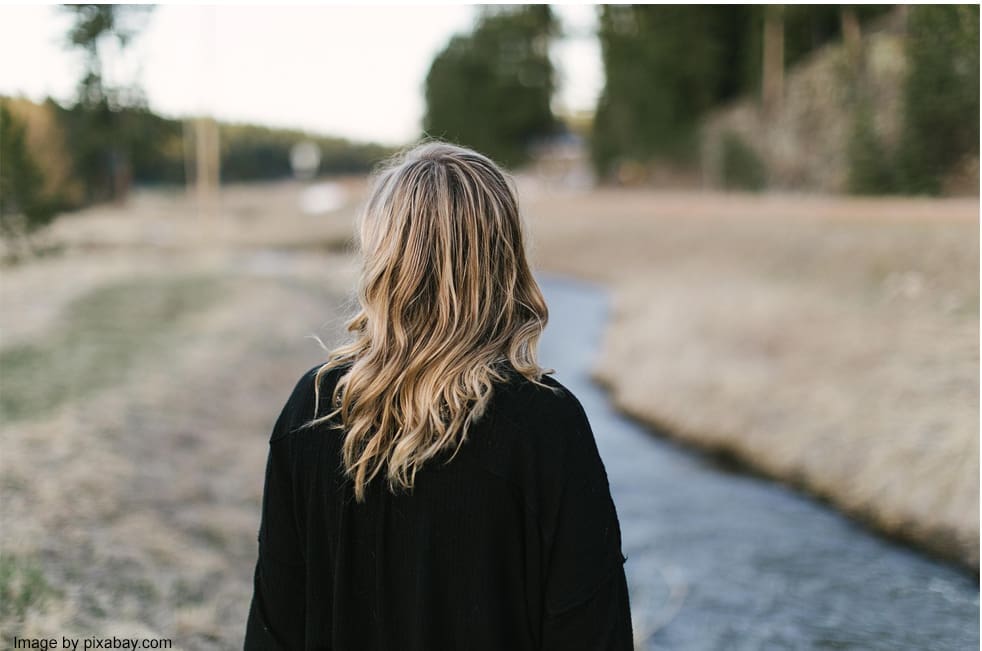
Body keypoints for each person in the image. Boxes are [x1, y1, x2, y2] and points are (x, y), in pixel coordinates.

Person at [244, 142, 634, 650]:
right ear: (504, 260)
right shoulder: (546, 424)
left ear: (383, 257)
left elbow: (273, 630)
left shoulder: (313, 407)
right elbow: (593, 635)